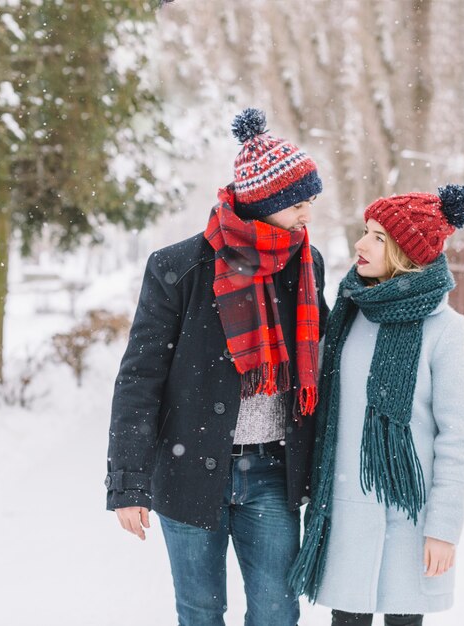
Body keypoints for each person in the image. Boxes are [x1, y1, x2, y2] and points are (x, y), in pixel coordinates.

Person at [105, 107, 329, 626]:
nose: (307, 216)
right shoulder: (178, 268)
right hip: (188, 470)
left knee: (277, 613)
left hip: (273, 470)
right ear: (263, 202)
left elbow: (324, 364)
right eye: (298, 203)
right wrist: (128, 483)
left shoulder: (306, 264)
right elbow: (139, 379)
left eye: (310, 201)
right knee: (200, 613)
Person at [289, 185, 464, 626]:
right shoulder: (348, 313)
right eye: (365, 231)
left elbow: (459, 439)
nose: (360, 243)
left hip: (411, 520)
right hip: (347, 513)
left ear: (405, 253)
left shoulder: (446, 331)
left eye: (377, 236)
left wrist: (444, 530)